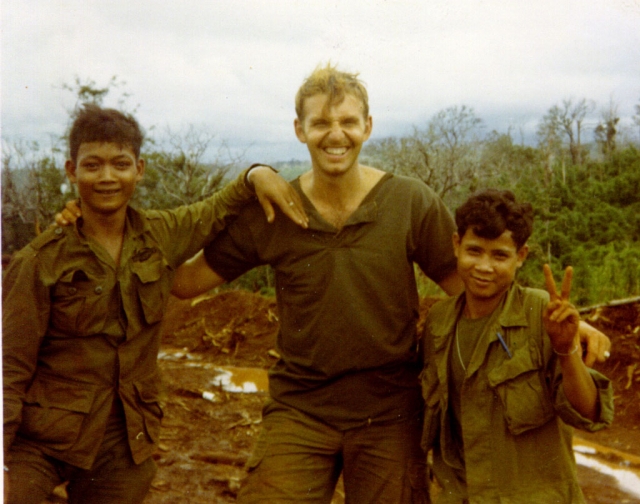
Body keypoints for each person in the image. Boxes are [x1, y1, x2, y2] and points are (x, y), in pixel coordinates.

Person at [170, 64, 611, 503]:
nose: (335, 135)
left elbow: (473, 281)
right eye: (320, 123)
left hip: (390, 410)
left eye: (347, 122)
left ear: (368, 127)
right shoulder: (274, 209)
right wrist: (245, 181)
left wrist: (559, 325)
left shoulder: (408, 201)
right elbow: (187, 282)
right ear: (300, 130)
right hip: (299, 408)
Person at [2, 104, 308, 504]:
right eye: (92, 166)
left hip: (124, 439)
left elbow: (218, 208)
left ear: (140, 169)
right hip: (41, 440)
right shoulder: (40, 262)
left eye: (121, 164)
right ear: (72, 171)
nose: (108, 177)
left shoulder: (162, 235)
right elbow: (10, 365)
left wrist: (257, 173)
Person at [420, 189, 614, 503]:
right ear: (456, 245)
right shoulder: (439, 323)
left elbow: (588, 413)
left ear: (520, 257)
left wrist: (567, 351)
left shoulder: (541, 313)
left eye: (500, 255)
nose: (484, 266)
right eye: (474, 251)